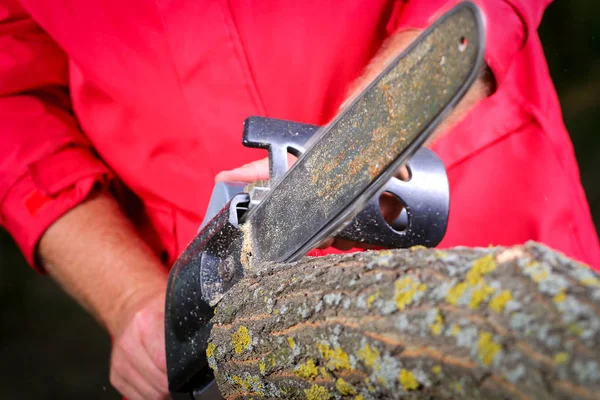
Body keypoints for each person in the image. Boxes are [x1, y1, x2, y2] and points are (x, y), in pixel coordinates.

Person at [1, 0, 598, 398]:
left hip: (474, 212)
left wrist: (367, 135)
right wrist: (128, 294)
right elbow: (13, 100)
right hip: (212, 302)